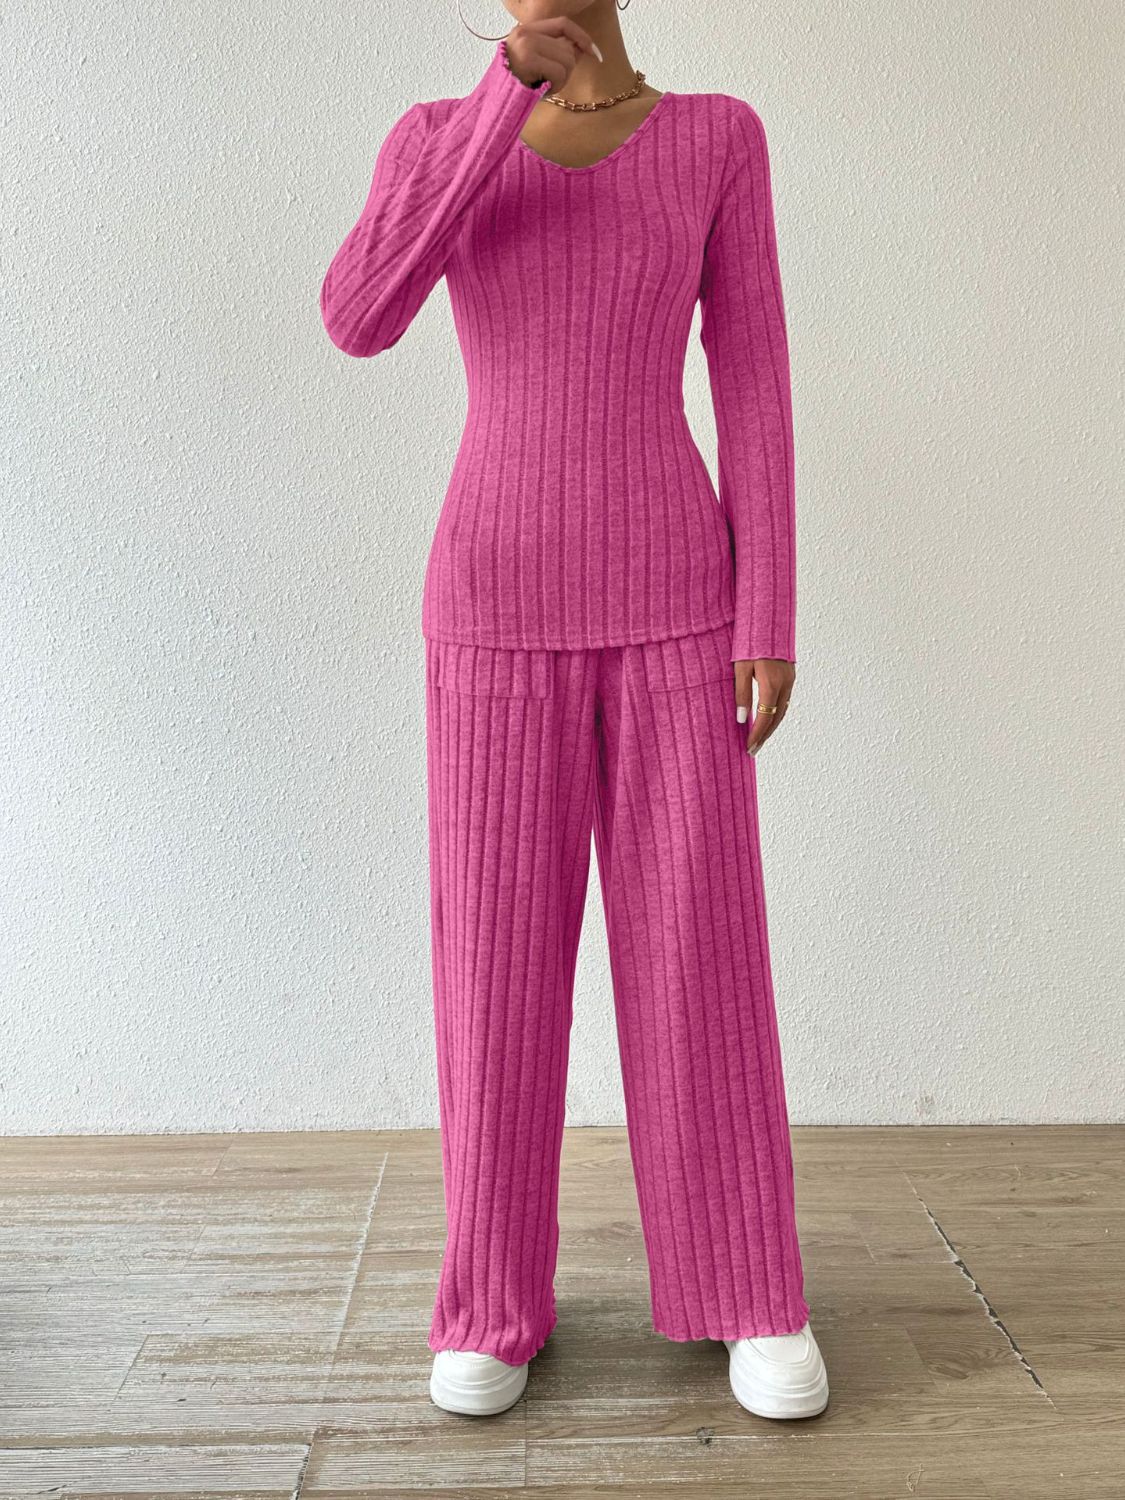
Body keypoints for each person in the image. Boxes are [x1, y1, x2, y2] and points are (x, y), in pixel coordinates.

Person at [319, 0, 829, 1422]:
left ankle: (748, 1287)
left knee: (698, 957)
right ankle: (490, 1300)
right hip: (490, 606)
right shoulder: (439, 136)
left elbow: (753, 374)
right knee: (493, 968)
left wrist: (769, 610)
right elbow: (358, 315)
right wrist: (501, 98)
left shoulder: (717, 138)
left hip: (680, 605)